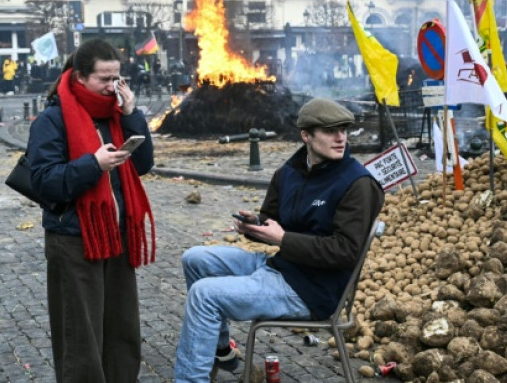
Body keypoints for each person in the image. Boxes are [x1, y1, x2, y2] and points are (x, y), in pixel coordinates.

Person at [173, 97, 384, 382]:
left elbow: (345, 252)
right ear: (306, 135)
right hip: (280, 266)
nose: (341, 138)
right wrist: (254, 226)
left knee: (204, 294)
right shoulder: (289, 173)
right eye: (330, 131)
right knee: (195, 259)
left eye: (344, 130)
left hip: (312, 289)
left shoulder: (357, 183)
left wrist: (283, 239)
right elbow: (272, 220)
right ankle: (222, 352)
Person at [28, 38, 156, 383]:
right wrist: (93, 164)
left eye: (117, 78)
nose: (112, 87)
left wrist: (132, 116)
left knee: (121, 328)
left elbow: (143, 165)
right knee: (81, 338)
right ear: (80, 77)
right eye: (104, 79)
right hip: (73, 239)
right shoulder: (52, 119)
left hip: (116, 236)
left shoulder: (115, 114)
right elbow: (43, 181)